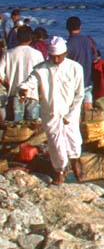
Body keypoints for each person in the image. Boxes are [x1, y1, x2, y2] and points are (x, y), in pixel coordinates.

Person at [18, 36, 83, 184]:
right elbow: (29, 82)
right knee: (56, 145)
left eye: (59, 56)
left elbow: (79, 94)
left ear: (65, 54)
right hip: (51, 113)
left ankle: (76, 166)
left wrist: (72, 114)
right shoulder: (41, 69)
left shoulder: (75, 68)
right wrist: (24, 90)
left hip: (70, 113)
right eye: (53, 57)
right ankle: (59, 171)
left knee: (74, 142)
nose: (56, 60)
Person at [0, 26, 43, 122]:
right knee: (32, 128)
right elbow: (42, 76)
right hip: (32, 94)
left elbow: (0, 73)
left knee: (15, 128)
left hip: (13, 93)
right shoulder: (37, 54)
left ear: (17, 38)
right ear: (31, 38)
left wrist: (6, 84)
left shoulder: (8, 53)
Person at [64, 16, 100, 118]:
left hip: (73, 83)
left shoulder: (68, 45)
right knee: (89, 110)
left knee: (74, 111)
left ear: (67, 28)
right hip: (88, 79)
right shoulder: (88, 41)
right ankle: (90, 129)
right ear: (80, 27)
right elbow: (95, 57)